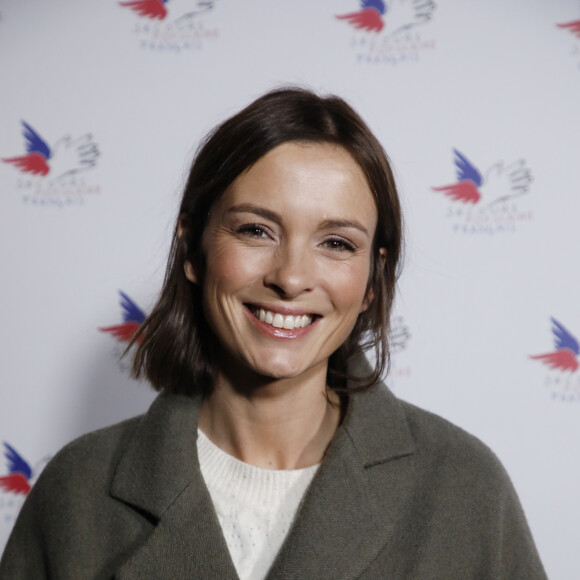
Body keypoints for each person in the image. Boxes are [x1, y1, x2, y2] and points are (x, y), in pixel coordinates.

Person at [0, 88, 546, 579]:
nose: (290, 277)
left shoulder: (463, 488)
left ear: (374, 280)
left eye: (336, 243)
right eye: (256, 230)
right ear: (193, 248)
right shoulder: (78, 490)